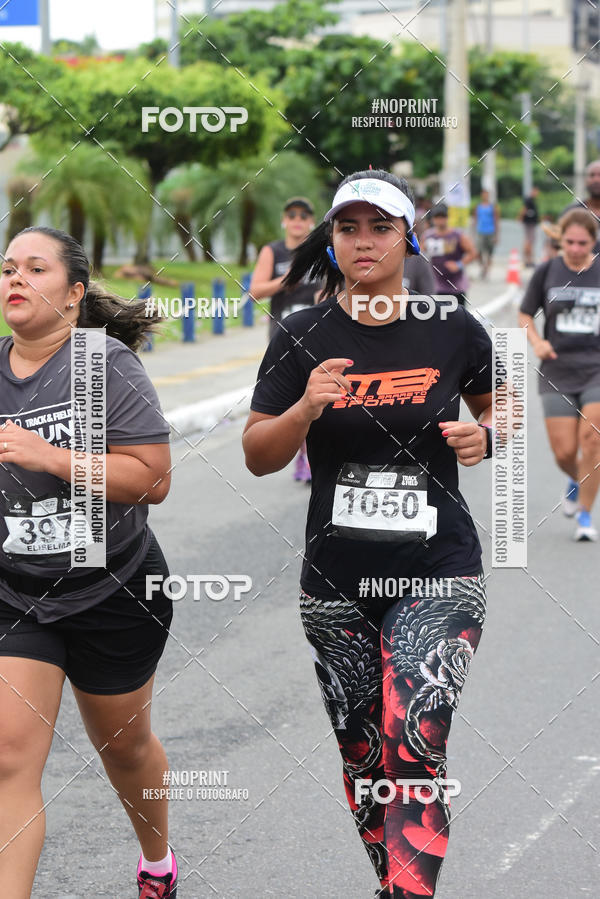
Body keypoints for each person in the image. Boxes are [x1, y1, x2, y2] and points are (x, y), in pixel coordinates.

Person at [243, 169, 495, 898]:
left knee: (413, 737)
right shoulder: (301, 332)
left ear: (405, 237)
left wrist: (489, 435)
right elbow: (258, 455)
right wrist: (304, 412)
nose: (362, 241)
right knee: (364, 756)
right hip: (335, 582)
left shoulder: (450, 324)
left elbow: (498, 401)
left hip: (439, 571)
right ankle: (395, 883)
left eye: (379, 227)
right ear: (331, 237)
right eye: (347, 227)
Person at [0, 227, 178, 897]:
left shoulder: (103, 365)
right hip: (19, 592)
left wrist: (49, 456)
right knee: (9, 756)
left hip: (116, 589)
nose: (15, 277)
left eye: (35, 268)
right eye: (8, 267)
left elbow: (152, 478)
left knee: (123, 749)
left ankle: (156, 859)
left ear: (73, 294)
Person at [519, 208, 600, 541]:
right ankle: (577, 479)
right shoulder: (547, 271)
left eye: (583, 242)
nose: (576, 248)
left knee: (593, 440)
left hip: (596, 368)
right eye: (570, 242)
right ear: (561, 241)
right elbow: (525, 313)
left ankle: (584, 514)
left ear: (594, 242)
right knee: (564, 451)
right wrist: (536, 342)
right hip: (556, 369)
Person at [250, 197, 321, 483]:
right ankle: (303, 455)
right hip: (284, 337)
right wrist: (288, 280)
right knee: (294, 402)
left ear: (311, 222)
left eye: (303, 215)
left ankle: (314, 456)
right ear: (284, 220)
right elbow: (255, 290)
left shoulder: (320, 250)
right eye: (292, 214)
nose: (297, 220)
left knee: (319, 398)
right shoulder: (273, 251)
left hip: (318, 335)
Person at [422, 203, 477, 306]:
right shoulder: (428, 236)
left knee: (458, 320)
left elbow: (473, 252)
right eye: (437, 217)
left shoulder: (457, 235)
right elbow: (419, 255)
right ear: (433, 219)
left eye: (443, 217)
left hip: (456, 287)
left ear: (447, 218)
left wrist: (459, 264)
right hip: (436, 286)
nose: (440, 220)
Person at [560, 159, 600, 254]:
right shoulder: (571, 213)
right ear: (585, 180)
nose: (596, 179)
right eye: (592, 175)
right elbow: (556, 246)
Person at [472, 188, 500, 279]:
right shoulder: (478, 207)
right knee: (478, 252)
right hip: (481, 231)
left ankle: (486, 270)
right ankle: (482, 267)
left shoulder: (493, 207)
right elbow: (475, 220)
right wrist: (473, 233)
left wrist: (497, 235)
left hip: (490, 231)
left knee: (489, 253)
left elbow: (496, 221)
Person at [519, 187, 540, 267]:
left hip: (532, 223)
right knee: (529, 241)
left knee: (530, 241)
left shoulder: (532, 200)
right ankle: (528, 260)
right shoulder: (529, 200)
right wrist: (520, 217)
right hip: (529, 223)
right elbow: (524, 209)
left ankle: (528, 260)